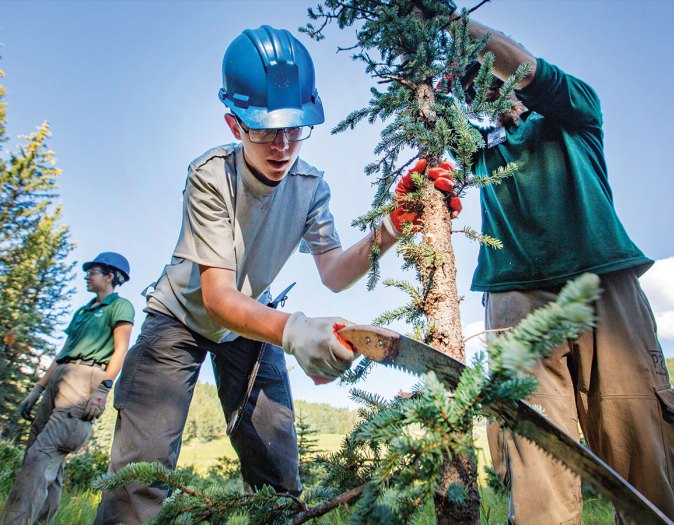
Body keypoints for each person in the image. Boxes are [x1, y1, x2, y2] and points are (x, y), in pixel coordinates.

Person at [93, 25, 459, 525]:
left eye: (295, 128)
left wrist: (393, 226)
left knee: (276, 464)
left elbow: (332, 272)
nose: (283, 145)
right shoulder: (211, 176)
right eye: (265, 130)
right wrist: (293, 329)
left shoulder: (310, 186)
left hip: (249, 323)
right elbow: (218, 298)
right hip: (179, 319)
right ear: (234, 123)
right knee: (140, 472)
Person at [459, 15, 674, 525]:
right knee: (534, 455)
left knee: (638, 441)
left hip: (602, 284)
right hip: (514, 297)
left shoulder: (575, 113)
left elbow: (528, 72)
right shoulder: (479, 154)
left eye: (498, 74)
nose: (496, 90)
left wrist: (447, 19)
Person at [0, 252, 134, 525]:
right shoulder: (83, 311)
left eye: (93, 271)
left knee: (42, 457)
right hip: (59, 378)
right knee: (43, 461)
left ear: (110, 276)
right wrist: (38, 389)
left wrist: (103, 390)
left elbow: (121, 349)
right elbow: (64, 351)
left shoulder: (119, 306)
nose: (87, 275)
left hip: (85, 380)